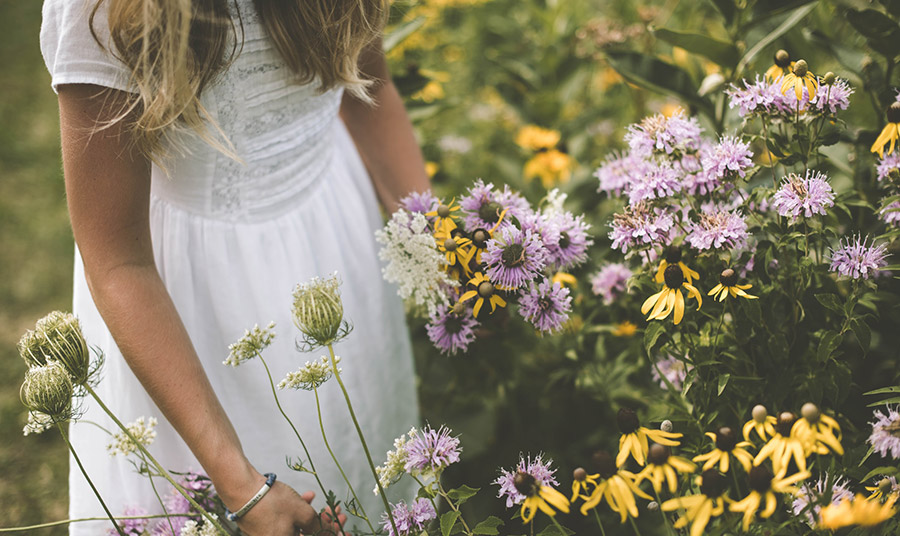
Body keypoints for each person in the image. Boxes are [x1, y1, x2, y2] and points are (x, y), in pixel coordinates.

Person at [39, 0, 427, 533]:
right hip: (192, 305)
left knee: (360, 457)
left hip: (338, 238)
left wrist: (439, 246)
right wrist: (242, 487)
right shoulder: (106, 10)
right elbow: (117, 259)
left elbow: (368, 88)